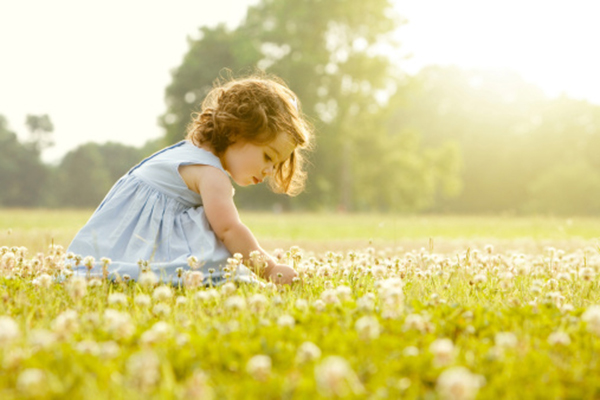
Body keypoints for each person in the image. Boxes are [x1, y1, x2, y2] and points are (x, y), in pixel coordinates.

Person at [65, 74, 312, 286]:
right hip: (144, 240)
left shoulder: (189, 151)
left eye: (276, 164)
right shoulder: (212, 175)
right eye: (268, 156)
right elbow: (229, 229)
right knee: (214, 246)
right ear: (237, 130)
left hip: (115, 242)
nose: (269, 170)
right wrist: (268, 269)